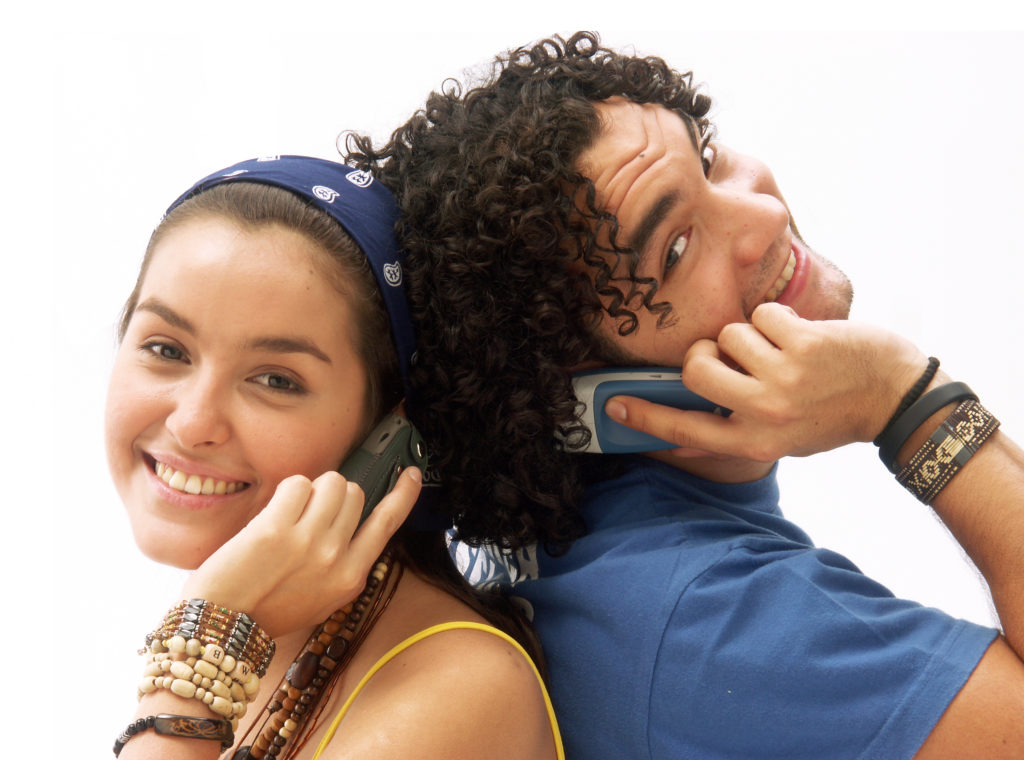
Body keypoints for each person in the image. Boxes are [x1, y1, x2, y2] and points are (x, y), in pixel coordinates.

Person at [346, 32, 1024, 759]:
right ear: (594, 406)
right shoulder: (709, 624)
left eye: (706, 158)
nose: (761, 218)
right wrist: (908, 402)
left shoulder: (576, 557)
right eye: (673, 249)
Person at [106, 155, 564, 759]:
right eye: (166, 347)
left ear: (391, 431)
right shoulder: (258, 623)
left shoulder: (458, 690)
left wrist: (196, 657)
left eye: (276, 380)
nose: (192, 423)